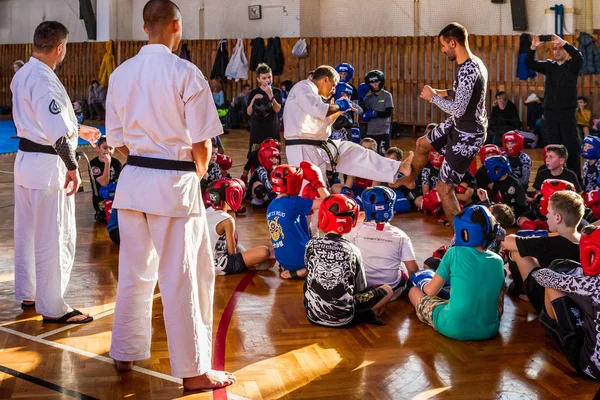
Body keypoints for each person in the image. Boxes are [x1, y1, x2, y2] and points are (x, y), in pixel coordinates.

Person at [104, 0, 235, 390]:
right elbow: (203, 144)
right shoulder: (186, 73)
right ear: (177, 26)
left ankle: (124, 351)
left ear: (146, 28)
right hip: (174, 185)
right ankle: (193, 371)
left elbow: (117, 143)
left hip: (132, 184)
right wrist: (191, 174)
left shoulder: (121, 74)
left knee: (133, 271)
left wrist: (145, 165)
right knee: (184, 276)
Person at [12, 21, 100, 322]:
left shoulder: (23, 73)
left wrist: (80, 129)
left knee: (28, 233)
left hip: (25, 162)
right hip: (49, 167)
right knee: (54, 235)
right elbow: (56, 135)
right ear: (60, 48)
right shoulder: (46, 81)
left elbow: (43, 122)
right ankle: (53, 308)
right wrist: (73, 167)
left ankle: (29, 293)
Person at [403, 22, 488, 226]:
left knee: (444, 188)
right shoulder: (472, 62)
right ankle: (409, 179)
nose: (442, 50)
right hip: (460, 124)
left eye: (443, 46)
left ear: (452, 43)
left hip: (469, 133)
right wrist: (445, 93)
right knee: (423, 144)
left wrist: (433, 98)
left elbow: (459, 108)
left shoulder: (469, 69)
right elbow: (465, 93)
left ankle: (461, 239)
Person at [283, 65, 413, 189]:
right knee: (313, 191)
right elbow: (318, 110)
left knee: (356, 153)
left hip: (320, 144)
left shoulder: (314, 97)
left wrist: (339, 111)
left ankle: (399, 168)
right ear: (325, 79)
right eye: (333, 85)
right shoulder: (303, 87)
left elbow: (324, 121)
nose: (333, 90)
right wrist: (339, 105)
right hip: (302, 148)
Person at [408, 205, 505, 340]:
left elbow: (430, 292)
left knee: (414, 291)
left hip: (453, 327)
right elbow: (500, 294)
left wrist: (423, 282)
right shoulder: (498, 260)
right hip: (489, 329)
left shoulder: (453, 253)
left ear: (464, 232)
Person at [304, 194, 393, 327]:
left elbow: (309, 271)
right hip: (345, 318)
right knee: (388, 289)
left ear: (324, 216)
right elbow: (360, 288)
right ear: (353, 219)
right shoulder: (353, 250)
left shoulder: (310, 244)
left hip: (312, 315)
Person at [531, 225, 600, 381]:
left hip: (592, 368)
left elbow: (543, 277)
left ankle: (551, 327)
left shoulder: (591, 285)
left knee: (553, 285)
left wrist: (573, 276)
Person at [502, 190, 584, 312]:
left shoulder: (548, 244)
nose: (546, 215)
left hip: (548, 304)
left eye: (549, 212)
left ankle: (520, 291)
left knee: (518, 252)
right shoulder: (584, 240)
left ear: (557, 217)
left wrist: (538, 236)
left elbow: (506, 240)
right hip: (577, 304)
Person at [347, 186, 419, 301]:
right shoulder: (401, 236)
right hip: (391, 292)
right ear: (391, 208)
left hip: (362, 288)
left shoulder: (354, 230)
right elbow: (413, 271)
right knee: (404, 268)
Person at [526, 33, 583, 175]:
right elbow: (530, 63)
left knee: (570, 146)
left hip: (567, 114)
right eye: (555, 48)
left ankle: (575, 178)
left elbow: (579, 57)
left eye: (560, 48)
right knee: (551, 146)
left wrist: (564, 43)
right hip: (550, 114)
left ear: (565, 51)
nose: (557, 51)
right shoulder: (549, 66)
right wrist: (533, 47)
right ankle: (552, 175)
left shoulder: (572, 66)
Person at [267, 162, 330, 280]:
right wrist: (318, 183)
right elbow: (330, 203)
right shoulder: (294, 202)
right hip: (301, 259)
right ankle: (304, 270)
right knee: (334, 254)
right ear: (294, 183)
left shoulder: (271, 205)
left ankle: (295, 269)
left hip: (283, 260)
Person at [205, 178, 274, 275]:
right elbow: (232, 253)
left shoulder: (204, 212)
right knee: (265, 251)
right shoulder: (227, 220)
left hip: (202, 263)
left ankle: (252, 264)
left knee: (238, 244)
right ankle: (252, 266)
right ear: (228, 197)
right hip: (220, 265)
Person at [241, 63, 282, 182]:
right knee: (255, 155)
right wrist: (253, 100)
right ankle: (253, 180)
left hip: (272, 129)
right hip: (257, 130)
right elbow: (248, 112)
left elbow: (277, 109)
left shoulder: (276, 91)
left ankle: (274, 181)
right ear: (258, 79)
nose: (267, 80)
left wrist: (270, 95)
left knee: (273, 156)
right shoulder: (254, 92)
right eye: (264, 78)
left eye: (269, 77)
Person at [90, 136, 122, 223]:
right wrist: (107, 163)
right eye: (104, 148)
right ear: (98, 148)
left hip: (114, 196)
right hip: (100, 199)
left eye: (110, 148)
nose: (107, 151)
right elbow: (104, 183)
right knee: (104, 189)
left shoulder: (116, 163)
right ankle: (102, 212)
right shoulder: (93, 164)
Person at [362, 70, 394, 154]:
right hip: (371, 131)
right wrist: (361, 99)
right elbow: (363, 113)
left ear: (381, 81)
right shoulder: (368, 98)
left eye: (377, 81)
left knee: (384, 153)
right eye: (372, 82)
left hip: (383, 131)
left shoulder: (387, 95)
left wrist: (375, 113)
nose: (375, 84)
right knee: (370, 154)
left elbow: (388, 113)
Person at [10, 60, 25, 138]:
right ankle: (19, 132)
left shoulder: (23, 75)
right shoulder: (18, 76)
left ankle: (22, 133)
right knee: (16, 116)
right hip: (17, 99)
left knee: (21, 116)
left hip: (22, 100)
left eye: (16, 67)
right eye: (14, 67)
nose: (14, 69)